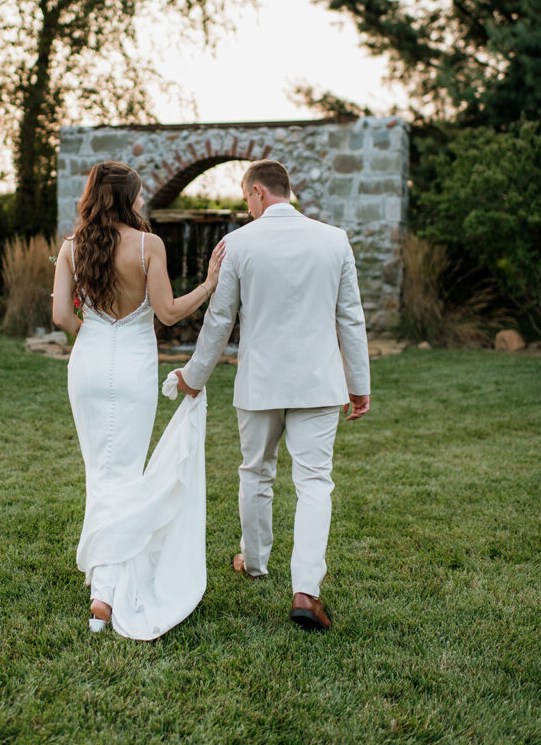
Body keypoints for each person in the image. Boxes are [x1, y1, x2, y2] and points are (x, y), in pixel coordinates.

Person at [174, 159, 370, 631]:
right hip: (319, 384)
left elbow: (219, 321)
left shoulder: (238, 244)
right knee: (314, 484)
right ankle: (306, 590)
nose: (248, 208)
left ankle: (256, 562)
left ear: (258, 192)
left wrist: (194, 376)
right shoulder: (334, 239)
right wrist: (357, 385)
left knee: (256, 472)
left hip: (259, 383)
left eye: (246, 200)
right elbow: (351, 318)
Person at [52, 160, 225, 639]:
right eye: (140, 195)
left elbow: (61, 317)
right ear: (127, 198)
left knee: (99, 470)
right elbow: (168, 314)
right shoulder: (149, 245)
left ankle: (102, 585)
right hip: (132, 367)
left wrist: (93, 334)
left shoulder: (71, 247)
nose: (144, 202)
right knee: (124, 472)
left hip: (86, 363)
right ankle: (105, 594)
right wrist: (209, 285)